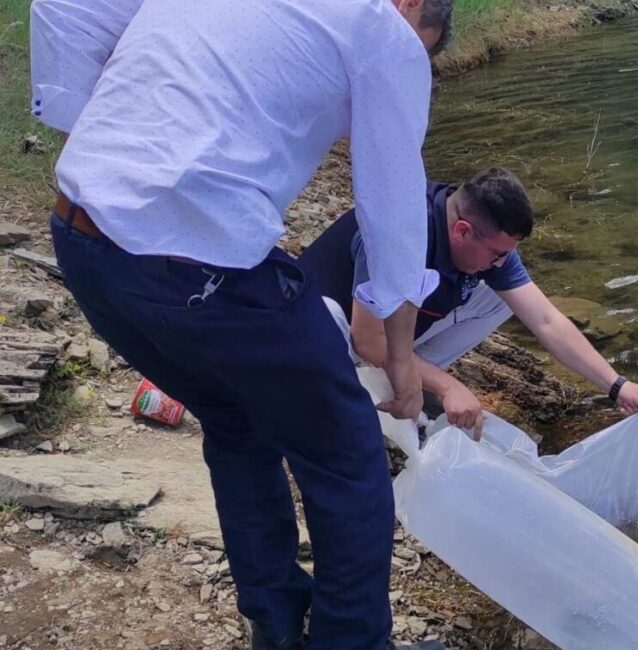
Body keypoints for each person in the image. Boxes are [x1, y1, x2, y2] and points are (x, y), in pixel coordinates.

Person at [30, 0, 452, 648]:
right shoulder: (383, 28)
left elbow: (64, 4)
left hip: (81, 243)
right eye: (419, 51)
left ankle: (275, 625)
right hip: (189, 270)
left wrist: (108, 151)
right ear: (412, 6)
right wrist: (400, 355)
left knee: (236, 418)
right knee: (348, 458)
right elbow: (393, 208)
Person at [300, 167, 638, 438]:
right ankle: (362, 392)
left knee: (502, 299)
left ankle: (401, 381)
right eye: (497, 253)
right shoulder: (401, 231)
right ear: (462, 231)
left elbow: (545, 319)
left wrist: (616, 385)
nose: (502, 262)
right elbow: (368, 339)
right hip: (319, 328)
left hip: (387, 334)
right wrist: (449, 385)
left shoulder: (489, 245)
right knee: (327, 326)